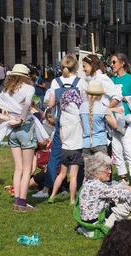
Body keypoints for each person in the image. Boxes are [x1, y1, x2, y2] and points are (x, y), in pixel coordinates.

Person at [0, 64, 41, 212]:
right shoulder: (28, 88)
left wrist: (5, 118)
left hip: (11, 129)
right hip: (25, 128)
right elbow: (27, 103)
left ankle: (17, 199)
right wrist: (22, 119)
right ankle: (22, 202)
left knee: (18, 167)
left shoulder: (6, 91)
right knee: (27, 168)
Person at [37, 54, 88, 199]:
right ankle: (77, 188)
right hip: (77, 122)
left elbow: (51, 104)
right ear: (76, 67)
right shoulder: (81, 82)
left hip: (61, 121)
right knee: (79, 155)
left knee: (55, 156)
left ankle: (47, 188)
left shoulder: (55, 82)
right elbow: (85, 103)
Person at [79, 152, 131, 229]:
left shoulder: (90, 182)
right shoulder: (98, 186)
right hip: (96, 227)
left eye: (109, 168)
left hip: (89, 225)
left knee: (126, 199)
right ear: (96, 174)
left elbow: (119, 186)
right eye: (107, 169)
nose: (110, 172)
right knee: (126, 203)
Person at [47, 86, 84, 204]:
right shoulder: (78, 114)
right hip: (76, 148)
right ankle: (72, 199)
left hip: (65, 148)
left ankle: (52, 195)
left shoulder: (63, 114)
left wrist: (64, 142)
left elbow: (61, 134)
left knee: (62, 174)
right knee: (73, 176)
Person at [109, 53, 131, 186]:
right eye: (111, 62)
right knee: (116, 150)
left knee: (129, 149)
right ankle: (123, 177)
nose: (112, 65)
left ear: (122, 63)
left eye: (114, 62)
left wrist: (124, 98)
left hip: (127, 119)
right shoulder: (112, 80)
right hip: (114, 120)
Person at [85, 80, 120, 156]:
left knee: (88, 167)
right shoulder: (102, 108)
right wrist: (110, 111)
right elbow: (115, 125)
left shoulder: (82, 107)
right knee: (103, 167)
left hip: (86, 143)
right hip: (100, 142)